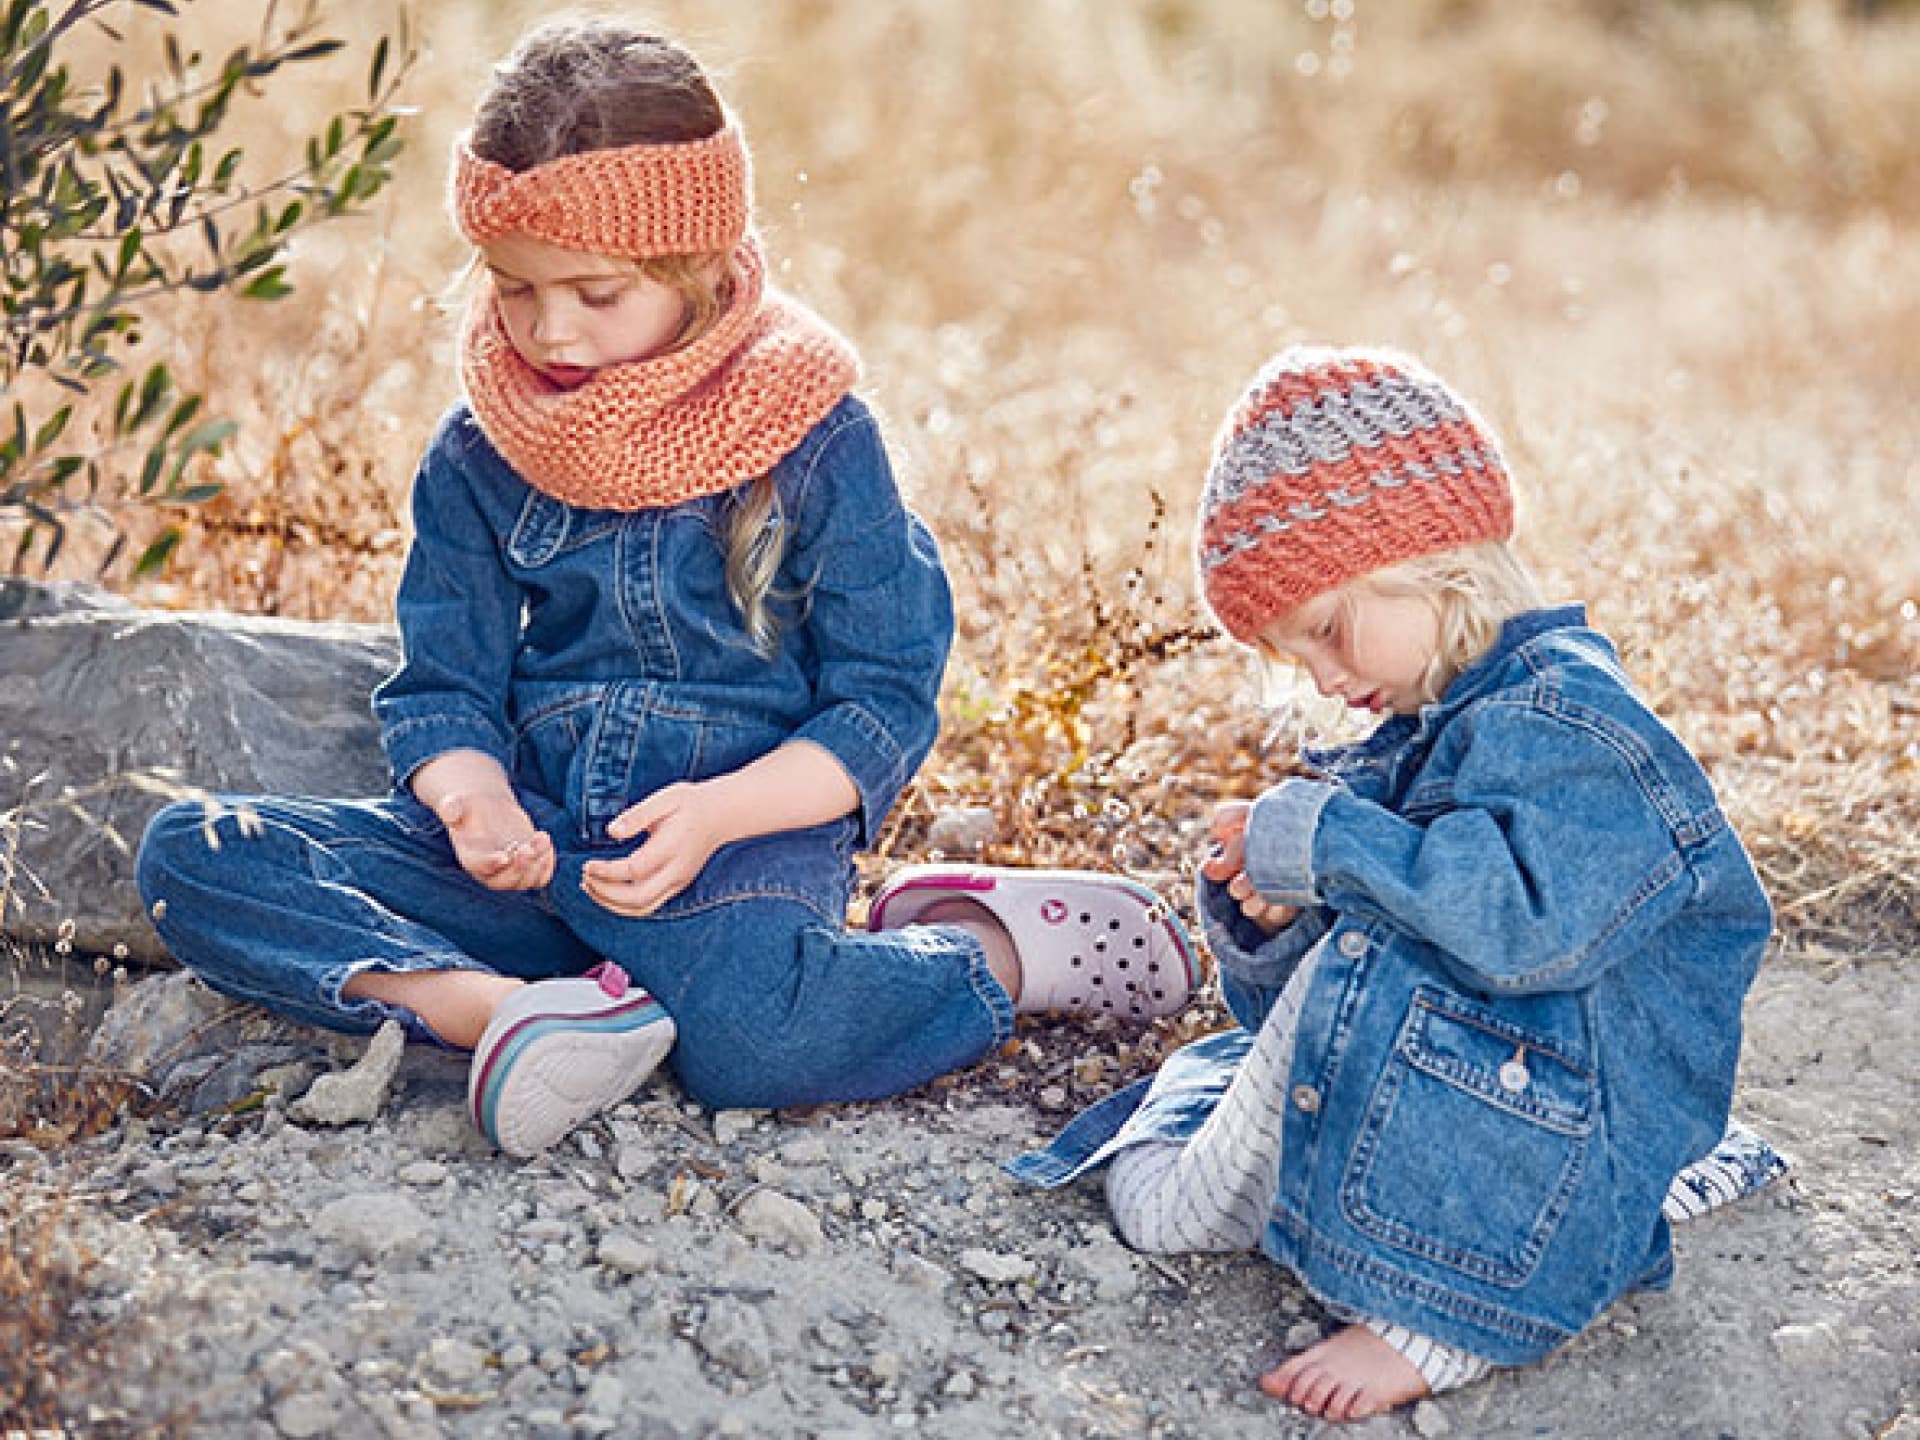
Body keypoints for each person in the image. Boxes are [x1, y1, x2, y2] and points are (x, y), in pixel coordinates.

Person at [135, 17, 1196, 1160]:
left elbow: (882, 701)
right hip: (537, 861)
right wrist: (473, 801)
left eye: (595, 293)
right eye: (513, 287)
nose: (548, 329)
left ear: (694, 267)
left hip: (733, 849)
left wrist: (721, 814)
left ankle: (980, 949)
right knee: (194, 850)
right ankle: (499, 1013)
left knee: (756, 1046)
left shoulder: (814, 438)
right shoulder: (479, 454)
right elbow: (442, 685)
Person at [1002, 346, 1785, 1420]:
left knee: (1360, 979)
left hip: (1584, 1090)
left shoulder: (1575, 725)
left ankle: (1446, 1321)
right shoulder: (1435, 724)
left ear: (1439, 562)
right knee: (1333, 977)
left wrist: (1336, 848)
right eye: (1295, 658)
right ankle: (1267, 1181)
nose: (1325, 677)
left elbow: (1517, 929)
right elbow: (1362, 955)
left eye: (1327, 630)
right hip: (1506, 1066)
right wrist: (1274, 913)